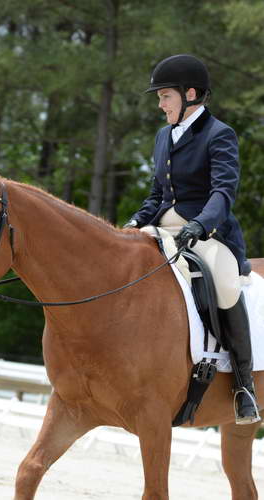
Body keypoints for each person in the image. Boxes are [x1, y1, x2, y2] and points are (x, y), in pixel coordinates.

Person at [125, 54, 260, 425]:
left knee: (226, 285)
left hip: (209, 233)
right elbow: (157, 195)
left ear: (191, 94)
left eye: (165, 96)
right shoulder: (163, 136)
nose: (160, 104)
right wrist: (135, 223)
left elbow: (223, 192)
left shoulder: (219, 134)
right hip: (164, 227)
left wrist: (200, 225)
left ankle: (244, 387)